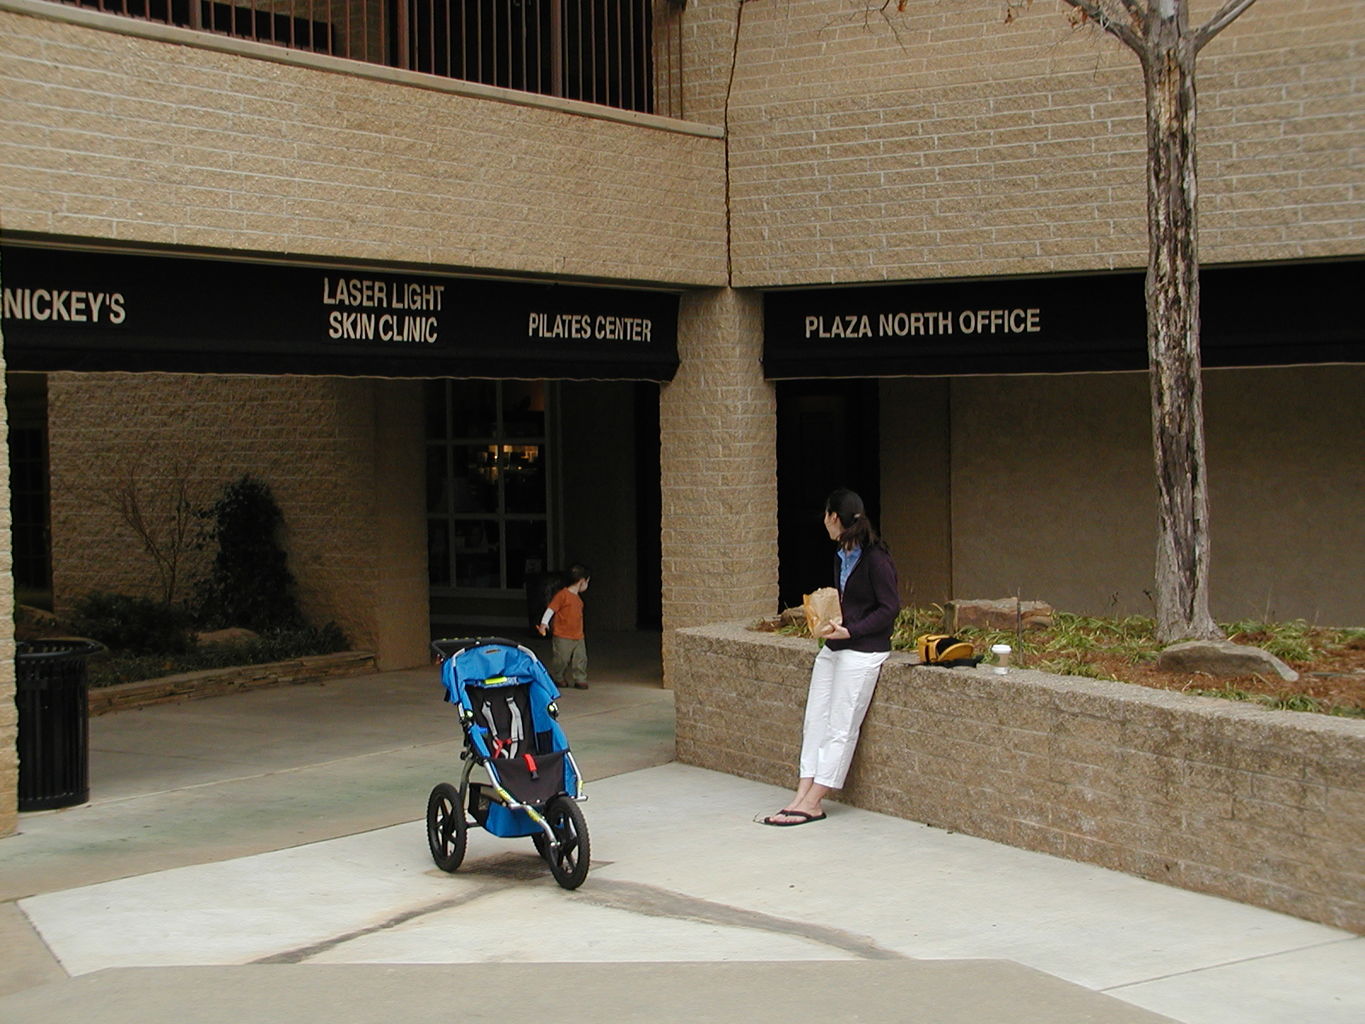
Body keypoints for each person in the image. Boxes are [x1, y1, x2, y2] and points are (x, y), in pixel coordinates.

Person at [761, 489, 899, 826]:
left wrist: (851, 630)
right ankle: (802, 792)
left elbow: (889, 608)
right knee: (815, 720)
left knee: (841, 725)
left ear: (833, 517)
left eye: (826, 516)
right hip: (834, 648)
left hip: (863, 651)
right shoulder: (841, 555)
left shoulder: (876, 559)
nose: (824, 522)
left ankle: (815, 800)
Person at [536, 563, 592, 690]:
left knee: (581, 658)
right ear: (582, 581)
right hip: (563, 635)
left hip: (578, 635)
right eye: (587, 582)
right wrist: (544, 624)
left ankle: (580, 679)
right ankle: (559, 677)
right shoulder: (562, 595)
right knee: (561, 659)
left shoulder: (578, 599)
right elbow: (551, 609)